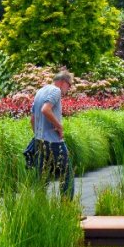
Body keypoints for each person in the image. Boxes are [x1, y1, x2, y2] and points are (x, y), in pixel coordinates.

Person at [30, 70, 75, 199]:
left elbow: (32, 119)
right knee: (67, 174)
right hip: (54, 142)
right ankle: (68, 211)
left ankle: (40, 209)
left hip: (39, 141)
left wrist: (38, 135)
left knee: (41, 178)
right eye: (69, 85)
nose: (69, 88)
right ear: (62, 82)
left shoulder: (40, 91)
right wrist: (59, 126)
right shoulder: (56, 91)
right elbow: (45, 109)